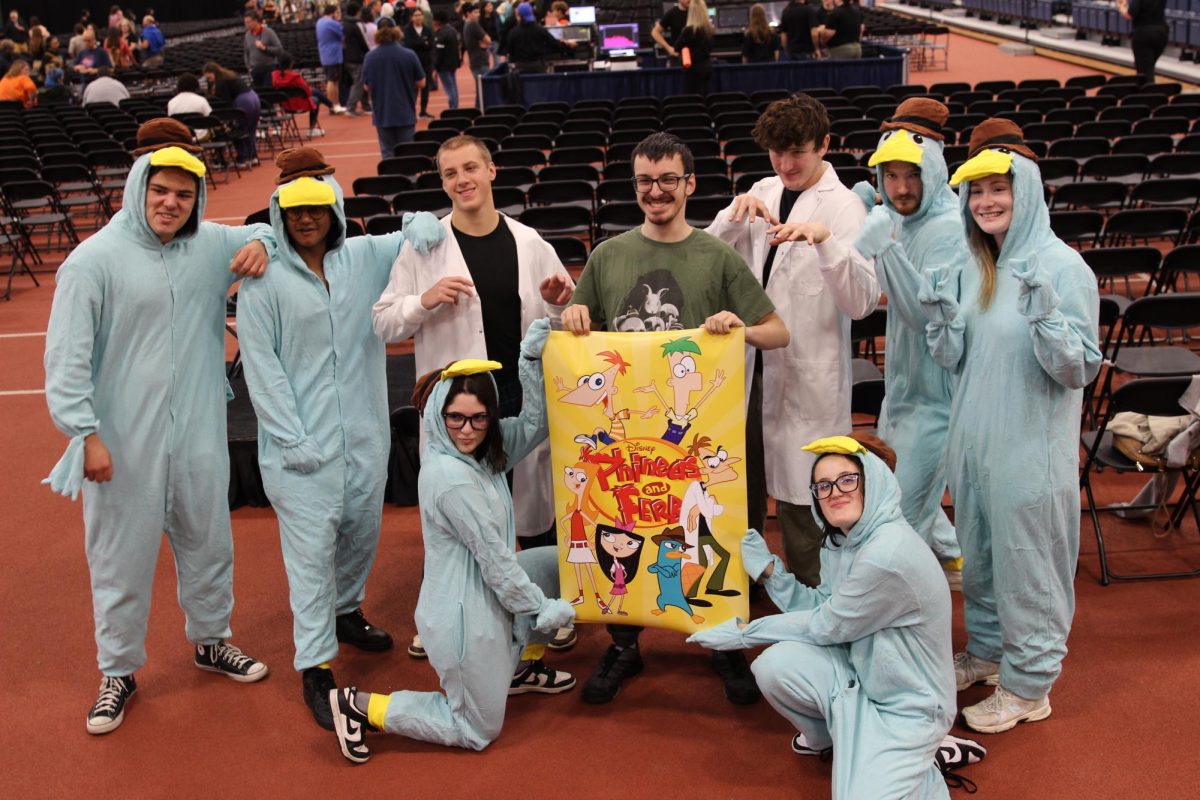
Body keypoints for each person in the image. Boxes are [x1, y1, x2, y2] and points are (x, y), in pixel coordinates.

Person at [42, 118, 274, 736]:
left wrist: (265, 246)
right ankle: (117, 670)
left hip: (199, 429)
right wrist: (84, 434)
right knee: (120, 557)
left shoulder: (208, 246)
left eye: (184, 193)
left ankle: (211, 639)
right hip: (120, 441)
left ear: (197, 197)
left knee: (209, 542)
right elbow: (65, 360)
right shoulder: (92, 261)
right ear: (138, 188)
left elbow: (262, 229)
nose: (171, 203)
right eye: (160, 191)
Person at [560, 132, 790, 705]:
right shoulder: (607, 256)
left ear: (689, 185)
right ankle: (623, 644)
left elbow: (778, 332)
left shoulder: (716, 256)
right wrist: (573, 312)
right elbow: (576, 328)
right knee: (624, 526)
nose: (655, 191)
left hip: (700, 435)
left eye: (667, 180)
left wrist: (739, 329)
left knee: (705, 535)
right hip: (630, 437)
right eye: (644, 180)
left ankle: (725, 644)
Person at [236, 148, 445, 730]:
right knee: (309, 555)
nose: (306, 220)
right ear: (281, 213)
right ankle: (315, 663)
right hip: (298, 447)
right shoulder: (263, 278)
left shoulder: (362, 255)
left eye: (317, 209)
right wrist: (289, 436)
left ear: (334, 208)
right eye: (294, 212)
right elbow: (261, 365)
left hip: (364, 435)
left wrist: (419, 223)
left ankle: (347, 610)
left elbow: (412, 233)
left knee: (359, 530)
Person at [328, 333, 576, 761]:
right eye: (455, 418)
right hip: (465, 619)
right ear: (438, 416)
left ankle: (518, 668)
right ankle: (359, 707)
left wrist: (530, 360)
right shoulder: (449, 478)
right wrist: (539, 608)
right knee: (477, 729)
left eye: (479, 419)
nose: (466, 430)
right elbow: (497, 564)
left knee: (560, 563)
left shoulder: (486, 451)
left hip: (491, 596)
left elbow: (536, 425)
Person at [373, 134, 575, 656]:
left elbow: (563, 323)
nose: (461, 180)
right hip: (457, 406)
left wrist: (558, 305)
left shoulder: (531, 243)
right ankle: (444, 617)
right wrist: (423, 300)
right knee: (460, 516)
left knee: (531, 510)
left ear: (491, 170)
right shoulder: (425, 247)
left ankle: (541, 609)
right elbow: (384, 322)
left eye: (469, 168)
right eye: (449, 174)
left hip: (517, 392)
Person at [934, 119, 1101, 733]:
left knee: (1029, 566)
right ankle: (987, 654)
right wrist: (944, 328)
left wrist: (1047, 320)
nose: (986, 203)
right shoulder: (979, 265)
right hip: (976, 448)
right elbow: (962, 363)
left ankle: (1031, 685)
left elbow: (1078, 368)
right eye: (975, 193)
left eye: (998, 189)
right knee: (978, 559)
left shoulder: (1063, 267)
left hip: (1030, 453)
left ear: (1025, 190)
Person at [688, 435, 955, 798]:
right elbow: (823, 608)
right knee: (773, 666)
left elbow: (827, 626)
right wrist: (771, 574)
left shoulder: (887, 553)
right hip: (862, 676)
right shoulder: (841, 541)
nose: (835, 492)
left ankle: (927, 756)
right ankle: (832, 738)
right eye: (823, 485)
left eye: (848, 479)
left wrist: (746, 633)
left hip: (908, 707)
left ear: (873, 482)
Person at [705, 93, 878, 589]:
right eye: (777, 153)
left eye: (797, 151)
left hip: (807, 377)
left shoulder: (843, 208)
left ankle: (816, 598)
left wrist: (825, 242)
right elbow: (709, 260)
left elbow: (862, 302)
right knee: (742, 489)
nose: (786, 164)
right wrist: (731, 218)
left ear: (824, 145)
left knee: (806, 505)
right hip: (749, 372)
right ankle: (747, 588)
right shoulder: (761, 189)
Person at [848, 98, 964, 584]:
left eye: (910, 176)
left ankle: (897, 615)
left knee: (897, 515)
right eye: (889, 176)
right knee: (901, 488)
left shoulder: (949, 230)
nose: (899, 188)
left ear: (932, 171)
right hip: (903, 391)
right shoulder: (903, 216)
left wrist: (886, 250)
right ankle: (958, 560)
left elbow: (924, 319)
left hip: (937, 402)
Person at [360, 23, 424, 157]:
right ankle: (409, 177)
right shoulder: (409, 54)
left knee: (388, 152)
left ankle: (390, 177)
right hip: (405, 111)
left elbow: (366, 86)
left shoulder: (370, 57)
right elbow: (421, 82)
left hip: (382, 112)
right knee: (408, 153)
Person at [204, 62, 261, 168]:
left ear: (214, 73)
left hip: (243, 101)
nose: (209, 80)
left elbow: (227, 102)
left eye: (209, 77)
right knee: (251, 129)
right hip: (253, 97)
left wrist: (227, 120)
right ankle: (252, 156)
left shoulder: (221, 82)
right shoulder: (228, 76)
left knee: (240, 129)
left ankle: (242, 158)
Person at [273, 51, 333, 138]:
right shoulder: (295, 77)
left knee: (315, 91)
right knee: (315, 99)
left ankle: (331, 105)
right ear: (291, 64)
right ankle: (311, 128)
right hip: (299, 105)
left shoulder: (274, 76)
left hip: (284, 105)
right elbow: (307, 92)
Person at [505, 2, 572, 73]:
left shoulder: (513, 32)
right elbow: (554, 44)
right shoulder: (540, 30)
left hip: (520, 67)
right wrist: (568, 45)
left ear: (518, 15)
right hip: (538, 67)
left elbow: (509, 50)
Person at [1117, 0, 1168, 83]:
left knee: (1144, 73)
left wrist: (1121, 6)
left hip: (1143, 35)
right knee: (1149, 69)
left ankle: (1147, 93)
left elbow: (1129, 15)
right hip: (1161, 33)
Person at [674, 0, 714, 96]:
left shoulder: (689, 30)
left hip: (692, 70)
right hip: (706, 67)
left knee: (693, 100)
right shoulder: (709, 30)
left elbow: (676, 47)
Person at [316, 3, 349, 114]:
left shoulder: (320, 21)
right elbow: (343, 35)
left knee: (333, 80)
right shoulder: (331, 23)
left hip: (326, 54)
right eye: (337, 12)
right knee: (332, 81)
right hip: (333, 55)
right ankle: (333, 104)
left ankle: (335, 104)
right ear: (332, 13)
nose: (338, 14)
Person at [404, 7, 435, 118]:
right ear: (411, 17)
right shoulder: (407, 30)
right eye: (415, 15)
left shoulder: (428, 29)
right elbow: (409, 44)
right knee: (413, 88)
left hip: (426, 63)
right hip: (412, 64)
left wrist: (420, 43)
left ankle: (423, 110)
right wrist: (423, 43)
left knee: (425, 88)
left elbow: (430, 45)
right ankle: (411, 110)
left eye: (420, 15)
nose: (418, 17)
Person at [342, 3, 372, 115]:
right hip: (357, 57)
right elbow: (363, 41)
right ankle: (351, 107)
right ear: (357, 12)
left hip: (347, 57)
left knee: (360, 81)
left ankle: (365, 104)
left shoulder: (343, 23)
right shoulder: (356, 24)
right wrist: (369, 53)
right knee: (359, 83)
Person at [461, 3, 491, 108]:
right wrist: (483, 42)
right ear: (468, 13)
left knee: (481, 90)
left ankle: (478, 111)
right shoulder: (473, 24)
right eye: (475, 12)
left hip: (475, 61)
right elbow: (488, 40)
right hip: (480, 61)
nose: (478, 15)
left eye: (478, 12)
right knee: (485, 89)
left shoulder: (466, 24)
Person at [244, 10, 283, 87]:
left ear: (255, 21)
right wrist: (249, 67)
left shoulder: (269, 32)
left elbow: (279, 50)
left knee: (268, 91)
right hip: (255, 70)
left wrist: (265, 48)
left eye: (248, 22)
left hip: (269, 68)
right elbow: (246, 52)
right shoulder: (247, 35)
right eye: (245, 22)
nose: (246, 25)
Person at [432, 10, 462, 110]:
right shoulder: (452, 30)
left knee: (449, 89)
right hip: (453, 64)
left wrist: (435, 67)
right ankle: (455, 107)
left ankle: (453, 108)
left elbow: (439, 52)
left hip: (444, 66)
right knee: (453, 87)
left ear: (438, 21)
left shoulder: (441, 34)